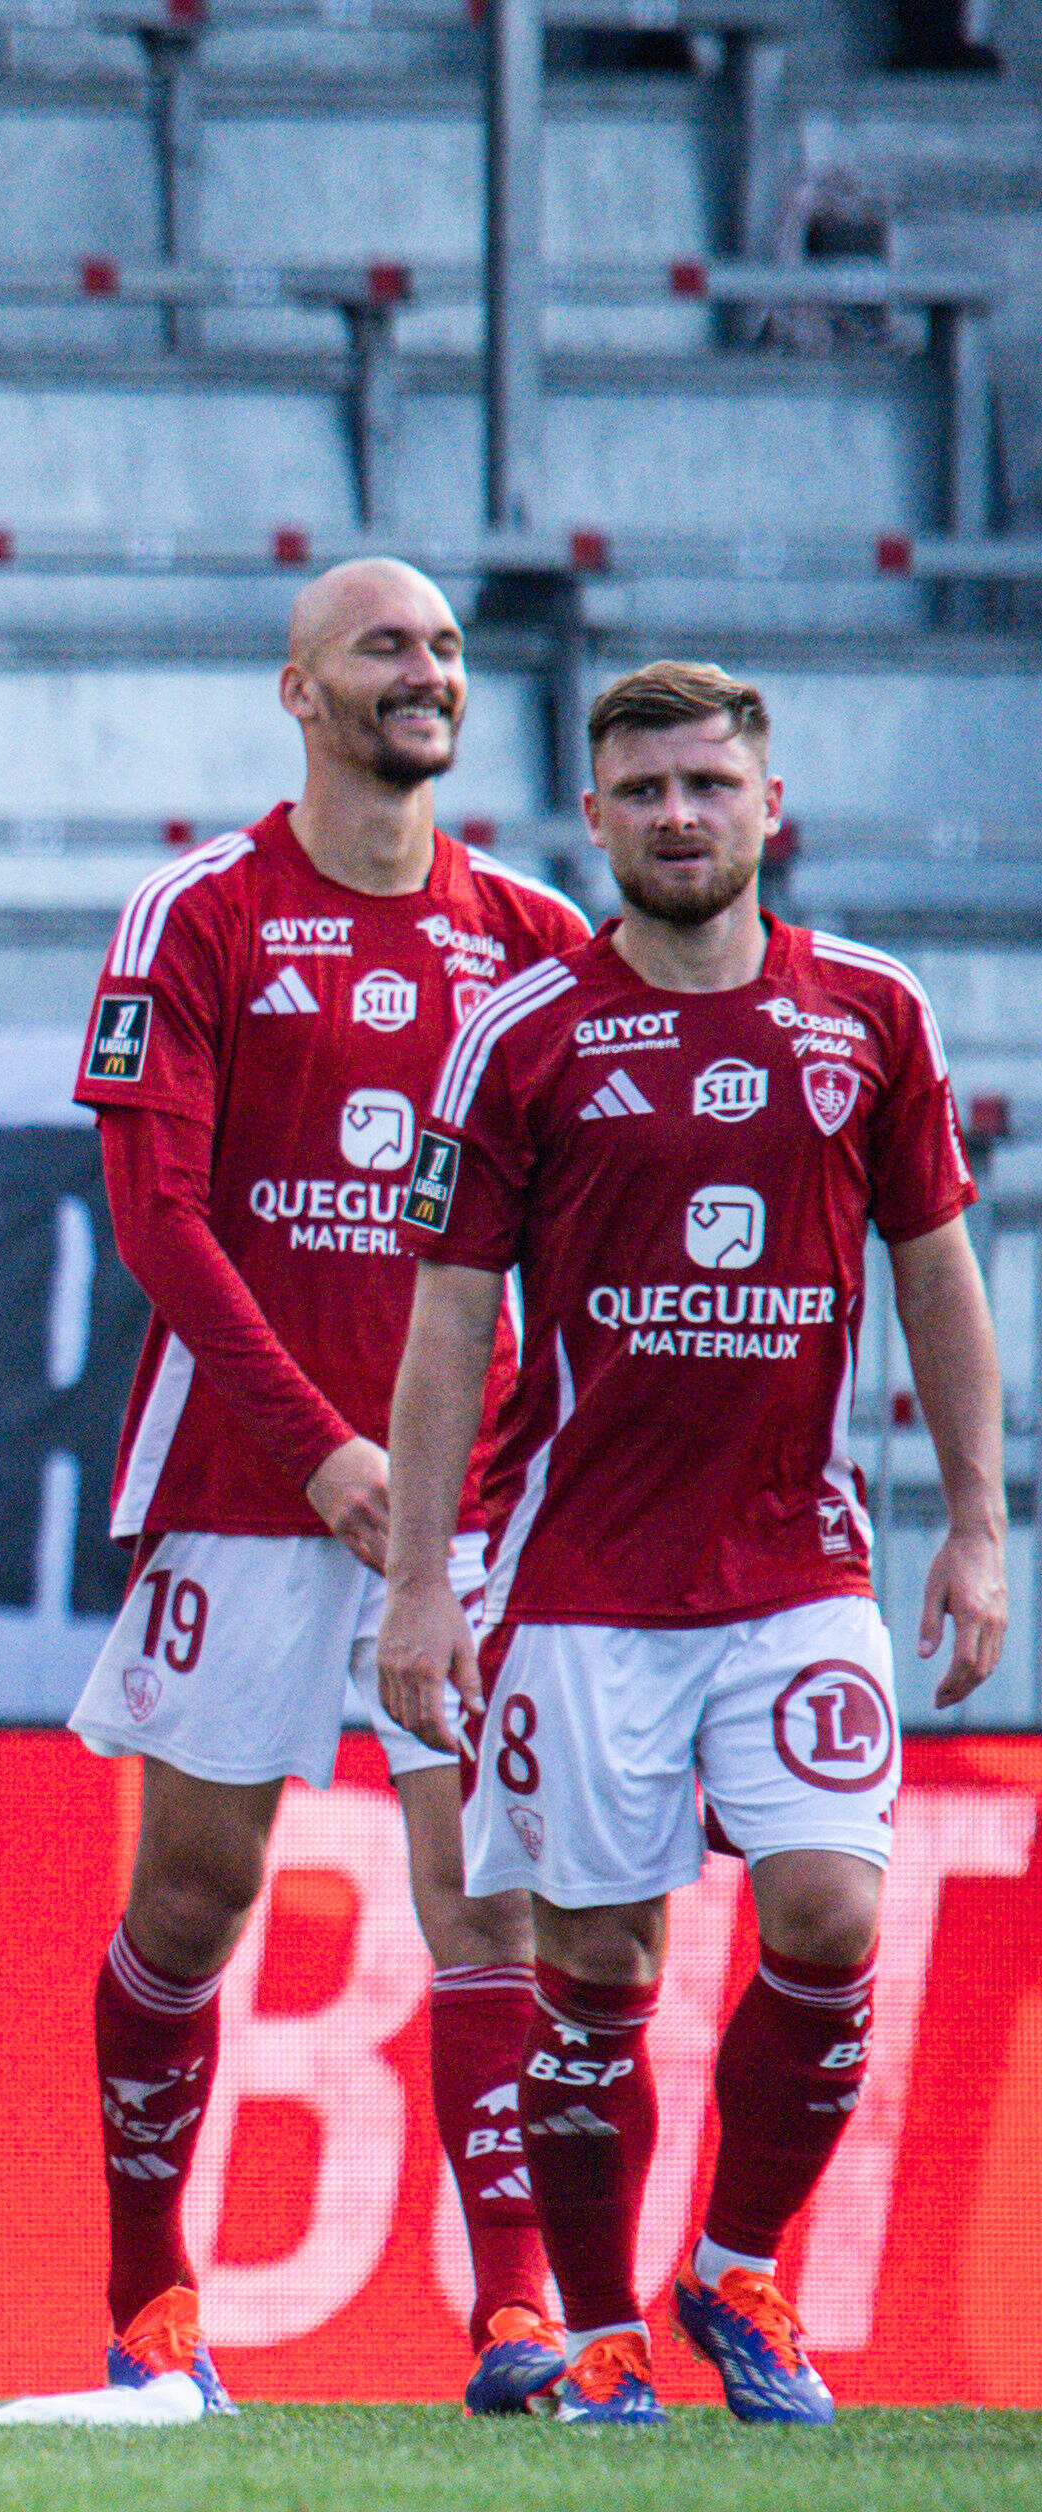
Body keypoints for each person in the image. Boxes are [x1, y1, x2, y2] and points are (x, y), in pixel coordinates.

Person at [379, 661, 1004, 2428]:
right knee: (599, 1970)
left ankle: (736, 2266)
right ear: (593, 818)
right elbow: (447, 1322)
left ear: (769, 805)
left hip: (801, 1568)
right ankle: (595, 2334)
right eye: (643, 788)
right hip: (580, 1591)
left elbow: (935, 1273)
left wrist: (971, 1525)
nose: (678, 814)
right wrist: (427, 1576)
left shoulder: (871, 1016)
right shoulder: (525, 1032)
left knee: (826, 1915)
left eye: (709, 784)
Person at [64, 559, 596, 2413]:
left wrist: (476, 1476)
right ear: (298, 687)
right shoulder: (199, 912)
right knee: (200, 1899)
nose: (427, 674)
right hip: (244, 1484)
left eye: (447, 648)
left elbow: (587, 1238)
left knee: (489, 1897)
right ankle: (150, 2293)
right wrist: (327, 1450)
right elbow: (162, 1222)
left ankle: (518, 2313)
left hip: (481, 1504)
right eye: (387, 647)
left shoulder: (536, 938)